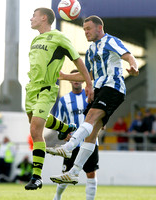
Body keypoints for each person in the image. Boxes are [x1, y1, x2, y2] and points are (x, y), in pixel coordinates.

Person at [46, 15, 139, 184]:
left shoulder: (111, 41)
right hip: (100, 89)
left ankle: (68, 147)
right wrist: (65, 76)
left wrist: (134, 66)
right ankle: (74, 172)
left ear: (99, 28)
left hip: (113, 87)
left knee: (90, 118)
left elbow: (128, 55)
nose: (86, 32)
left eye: (88, 29)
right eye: (84, 30)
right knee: (92, 134)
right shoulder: (90, 51)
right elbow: (88, 76)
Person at [24, 7, 93, 190]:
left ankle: (36, 177)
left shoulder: (59, 37)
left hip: (46, 89)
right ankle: (65, 128)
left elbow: (78, 60)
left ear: (44, 18)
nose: (31, 19)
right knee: (36, 124)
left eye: (34, 15)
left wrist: (89, 84)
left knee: (35, 129)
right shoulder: (35, 40)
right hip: (31, 89)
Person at [53, 69, 99, 200]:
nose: (76, 81)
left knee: (91, 173)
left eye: (79, 78)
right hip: (73, 143)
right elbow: (58, 121)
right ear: (70, 81)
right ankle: (57, 196)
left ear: (83, 80)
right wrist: (63, 132)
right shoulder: (63, 100)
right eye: (73, 78)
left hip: (90, 141)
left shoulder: (91, 96)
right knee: (66, 173)